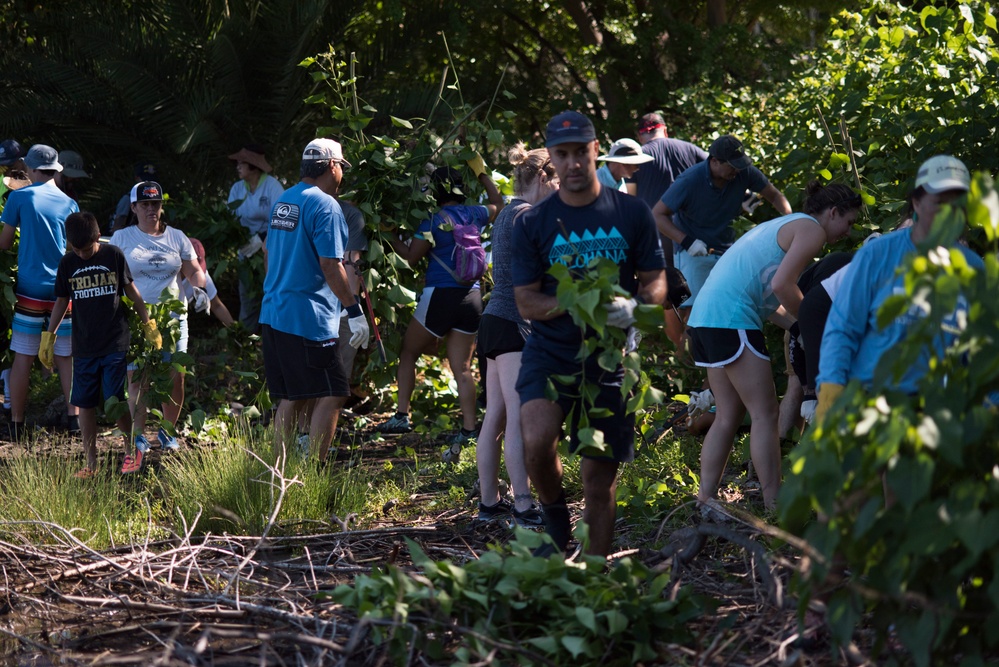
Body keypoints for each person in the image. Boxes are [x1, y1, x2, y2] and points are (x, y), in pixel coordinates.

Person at [512, 111, 667, 557]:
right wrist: (579, 303)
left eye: (581, 151)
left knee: (599, 481)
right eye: (563, 154)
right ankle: (555, 518)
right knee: (536, 444)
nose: (574, 162)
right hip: (550, 352)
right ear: (553, 160)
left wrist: (634, 307)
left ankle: (596, 577)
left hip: (611, 359)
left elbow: (656, 280)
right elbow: (526, 301)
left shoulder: (631, 212)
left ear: (596, 150)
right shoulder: (534, 222)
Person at [687, 182, 861, 511]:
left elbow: (775, 299)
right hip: (731, 319)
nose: (848, 233)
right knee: (765, 413)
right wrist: (813, 325)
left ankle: (705, 500)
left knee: (727, 415)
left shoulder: (787, 224)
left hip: (705, 318)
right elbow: (783, 286)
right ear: (833, 212)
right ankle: (774, 505)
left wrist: (797, 325)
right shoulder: (812, 230)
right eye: (849, 222)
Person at [816, 156, 983, 420]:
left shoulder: (973, 270)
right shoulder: (878, 256)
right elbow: (843, 328)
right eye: (939, 204)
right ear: (917, 203)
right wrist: (831, 386)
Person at [375, 159, 503, 462]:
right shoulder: (476, 213)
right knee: (461, 368)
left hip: (440, 296)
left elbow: (409, 258)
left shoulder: (431, 221)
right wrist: (481, 172)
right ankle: (470, 428)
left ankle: (402, 415)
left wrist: (388, 233)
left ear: (435, 192)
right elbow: (498, 202)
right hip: (472, 298)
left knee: (408, 351)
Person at [259, 138, 369, 463]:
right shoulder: (326, 205)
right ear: (332, 166)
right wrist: (354, 309)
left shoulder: (285, 200)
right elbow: (331, 266)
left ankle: (282, 472)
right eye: (342, 169)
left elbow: (267, 253)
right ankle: (316, 471)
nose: (342, 177)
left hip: (275, 310)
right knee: (335, 392)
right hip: (308, 318)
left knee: (293, 396)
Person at [475, 142, 558, 526]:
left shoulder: (508, 212)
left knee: (496, 416)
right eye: (556, 180)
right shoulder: (527, 216)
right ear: (542, 177)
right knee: (520, 419)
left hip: (494, 320)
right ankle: (524, 505)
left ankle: (490, 503)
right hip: (513, 325)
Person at [43, 212, 162, 476]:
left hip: (114, 342)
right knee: (84, 403)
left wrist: (148, 323)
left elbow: (131, 290)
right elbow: (62, 301)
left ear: (98, 237)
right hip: (84, 345)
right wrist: (48, 337)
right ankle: (91, 464)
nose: (82, 254)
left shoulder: (113, 255)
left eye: (86, 249)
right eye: (76, 249)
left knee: (113, 399)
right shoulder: (67, 264)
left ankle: (131, 451)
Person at [110, 181, 208, 452]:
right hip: (136, 317)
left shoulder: (177, 237)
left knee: (175, 374)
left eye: (156, 203)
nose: (151, 208)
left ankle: (167, 431)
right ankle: (139, 435)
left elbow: (194, 271)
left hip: (172, 317)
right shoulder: (122, 238)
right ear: (134, 207)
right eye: (145, 204)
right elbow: (113, 276)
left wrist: (199, 289)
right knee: (137, 377)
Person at [652, 134, 792, 316]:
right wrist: (687, 242)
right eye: (732, 166)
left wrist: (791, 221)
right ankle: (687, 344)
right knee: (694, 311)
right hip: (692, 252)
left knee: (738, 302)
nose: (737, 170)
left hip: (728, 250)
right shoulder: (689, 181)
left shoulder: (744, 172)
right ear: (715, 161)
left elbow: (774, 195)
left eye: (740, 164)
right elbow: (657, 215)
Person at [0, 145, 80, 441]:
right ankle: (74, 421)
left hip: (29, 290)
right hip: (63, 291)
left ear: (31, 169)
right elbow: (74, 248)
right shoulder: (70, 203)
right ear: (56, 170)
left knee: (23, 356)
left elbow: (5, 243)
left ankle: (17, 423)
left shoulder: (19, 197)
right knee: (65, 357)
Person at [228, 144, 285, 332]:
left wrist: (262, 238)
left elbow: (282, 219)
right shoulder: (237, 189)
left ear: (253, 166)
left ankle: (274, 333)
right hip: (245, 250)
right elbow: (230, 219)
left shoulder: (272, 187)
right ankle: (247, 338)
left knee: (271, 290)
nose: (237, 167)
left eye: (241, 163)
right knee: (247, 293)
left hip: (271, 246)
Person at [631, 112, 707, 212]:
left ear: (639, 137)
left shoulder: (634, 159)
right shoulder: (691, 149)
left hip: (653, 224)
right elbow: (716, 168)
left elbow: (630, 198)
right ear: (665, 130)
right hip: (687, 223)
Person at [182, 238, 235, 327]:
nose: (197, 274)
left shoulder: (201, 276)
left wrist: (236, 332)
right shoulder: (162, 277)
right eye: (194, 270)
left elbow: (217, 306)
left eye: (199, 270)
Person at [113, 162, 158, 233]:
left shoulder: (157, 198)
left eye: (152, 181)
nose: (148, 184)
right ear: (137, 179)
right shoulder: (128, 199)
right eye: (145, 181)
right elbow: (117, 226)